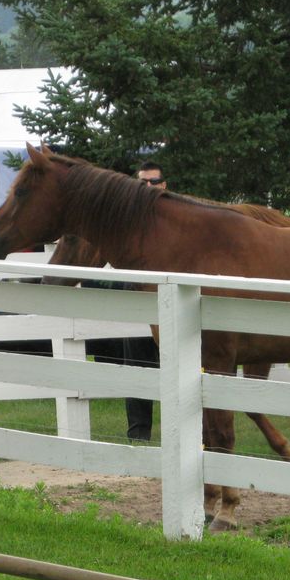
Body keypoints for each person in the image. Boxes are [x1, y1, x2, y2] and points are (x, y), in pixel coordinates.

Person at [123, 161, 166, 442]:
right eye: (142, 183)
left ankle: (192, 436)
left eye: (153, 182)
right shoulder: (127, 221)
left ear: (164, 185)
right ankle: (139, 436)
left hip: (173, 300)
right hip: (140, 298)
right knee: (137, 364)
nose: (148, 187)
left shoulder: (178, 219)